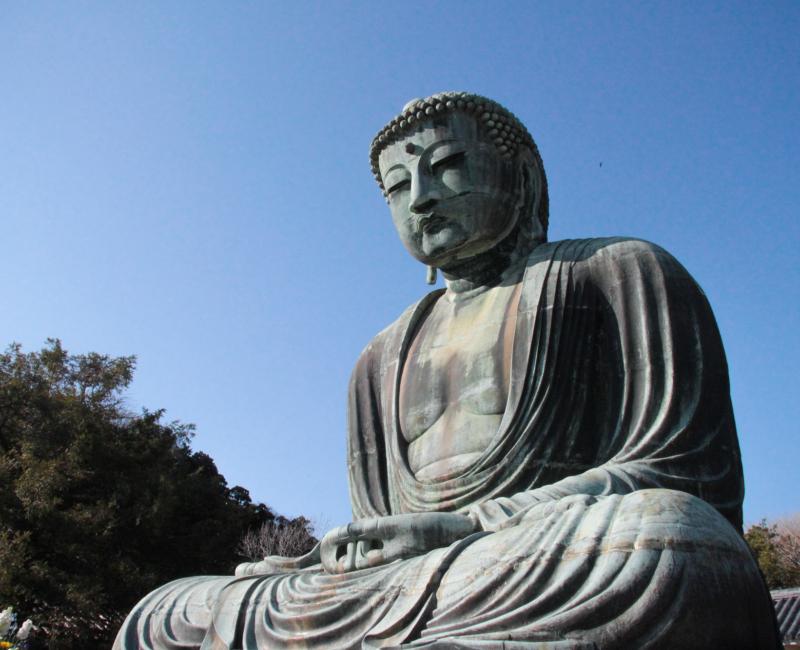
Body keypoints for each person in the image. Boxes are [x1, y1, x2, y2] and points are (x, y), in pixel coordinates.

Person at [114, 92, 779, 649]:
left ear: (521, 176)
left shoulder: (618, 271)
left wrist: (474, 523)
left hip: (529, 555)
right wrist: (323, 561)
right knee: (164, 613)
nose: (422, 199)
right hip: (418, 583)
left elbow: (685, 474)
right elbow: (379, 527)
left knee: (672, 541)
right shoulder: (380, 355)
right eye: (399, 187)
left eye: (448, 166)